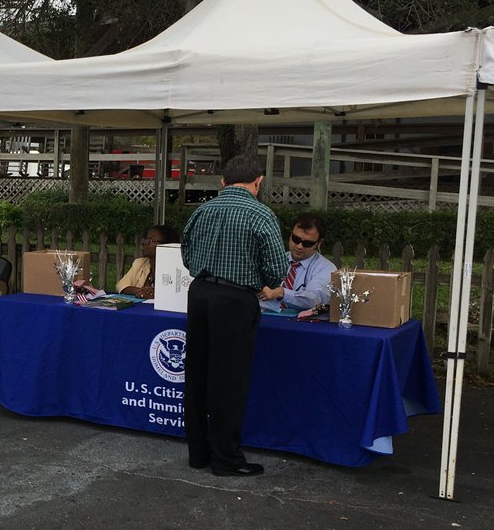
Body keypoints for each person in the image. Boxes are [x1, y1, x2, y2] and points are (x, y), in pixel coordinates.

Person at [181, 153, 289, 478]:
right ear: (258, 181)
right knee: (229, 380)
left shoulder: (202, 210)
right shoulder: (262, 214)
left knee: (197, 374)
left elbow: (187, 255)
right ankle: (226, 459)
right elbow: (276, 271)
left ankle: (198, 453)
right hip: (235, 299)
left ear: (223, 181)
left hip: (200, 293)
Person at [259, 213, 334, 311]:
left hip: (304, 320)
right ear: (290, 235)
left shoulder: (326, 268)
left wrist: (282, 293)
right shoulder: (274, 260)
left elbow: (315, 299)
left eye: (307, 243)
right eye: (296, 239)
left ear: (319, 243)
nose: (299, 246)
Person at [117, 224, 179, 298]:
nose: (145, 243)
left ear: (166, 245)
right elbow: (121, 285)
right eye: (146, 239)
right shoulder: (140, 263)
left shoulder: (176, 269)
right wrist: (140, 291)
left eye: (151, 240)